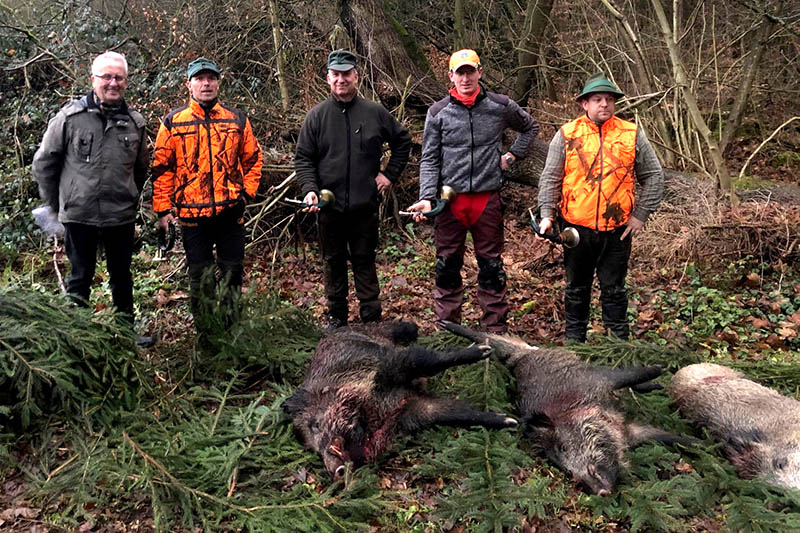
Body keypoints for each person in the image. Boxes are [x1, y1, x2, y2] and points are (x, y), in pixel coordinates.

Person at [407, 49, 538, 333]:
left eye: (470, 71)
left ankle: (495, 330)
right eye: (459, 72)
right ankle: (448, 329)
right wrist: (427, 197)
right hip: (450, 201)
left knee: (491, 266)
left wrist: (512, 155)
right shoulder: (438, 112)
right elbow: (429, 158)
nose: (465, 78)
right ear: (450, 77)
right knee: (447, 265)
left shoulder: (499, 106)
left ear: (480, 72)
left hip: (486, 198)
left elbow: (530, 127)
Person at [32, 51, 154, 348]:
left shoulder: (135, 122)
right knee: (80, 276)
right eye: (106, 77)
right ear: (93, 80)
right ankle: (78, 337)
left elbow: (140, 169)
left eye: (119, 77)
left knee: (122, 277)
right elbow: (44, 162)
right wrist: (55, 206)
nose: (113, 83)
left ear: (126, 81)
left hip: (119, 215)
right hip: (79, 214)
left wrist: (129, 195)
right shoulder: (70, 118)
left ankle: (126, 333)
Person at [537, 73, 664, 342]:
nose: (604, 104)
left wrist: (640, 215)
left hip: (617, 230)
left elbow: (653, 174)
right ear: (585, 103)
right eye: (597, 99)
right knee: (576, 288)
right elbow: (550, 177)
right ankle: (575, 344)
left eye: (609, 99)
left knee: (614, 289)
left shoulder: (631, 134)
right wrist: (546, 215)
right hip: (575, 229)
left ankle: (617, 344)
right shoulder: (567, 134)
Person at [295, 50, 411, 329]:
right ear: (328, 79)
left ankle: (371, 318)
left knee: (365, 261)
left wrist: (388, 175)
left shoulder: (374, 112)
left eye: (346, 74)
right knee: (333, 262)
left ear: (356, 76)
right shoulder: (317, 117)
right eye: (336, 74)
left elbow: (403, 141)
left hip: (364, 206)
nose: (341, 79)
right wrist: (310, 189)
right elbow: (303, 158)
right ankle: (337, 318)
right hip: (329, 208)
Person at [152, 57, 263, 341]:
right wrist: (163, 209)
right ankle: (206, 336)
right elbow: (162, 169)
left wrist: (246, 194)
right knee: (200, 279)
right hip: (192, 218)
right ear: (189, 85)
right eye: (200, 79)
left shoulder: (236, 119)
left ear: (218, 83)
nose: (206, 83)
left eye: (211, 78)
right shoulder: (173, 122)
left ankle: (231, 333)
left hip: (230, 215)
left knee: (232, 275)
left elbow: (253, 159)